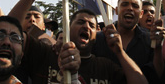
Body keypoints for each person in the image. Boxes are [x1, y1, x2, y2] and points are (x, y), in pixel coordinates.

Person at [20, 8, 148, 84]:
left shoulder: (105, 67)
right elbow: (7, 32)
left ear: (96, 34)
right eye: (80, 22)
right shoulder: (47, 54)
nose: (86, 26)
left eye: (91, 26)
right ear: (68, 29)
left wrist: (120, 52)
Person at [92, 0, 153, 69]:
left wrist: (159, 48)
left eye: (135, 6)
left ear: (141, 14)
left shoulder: (150, 40)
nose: (130, 8)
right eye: (124, 4)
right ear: (117, 10)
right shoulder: (98, 39)